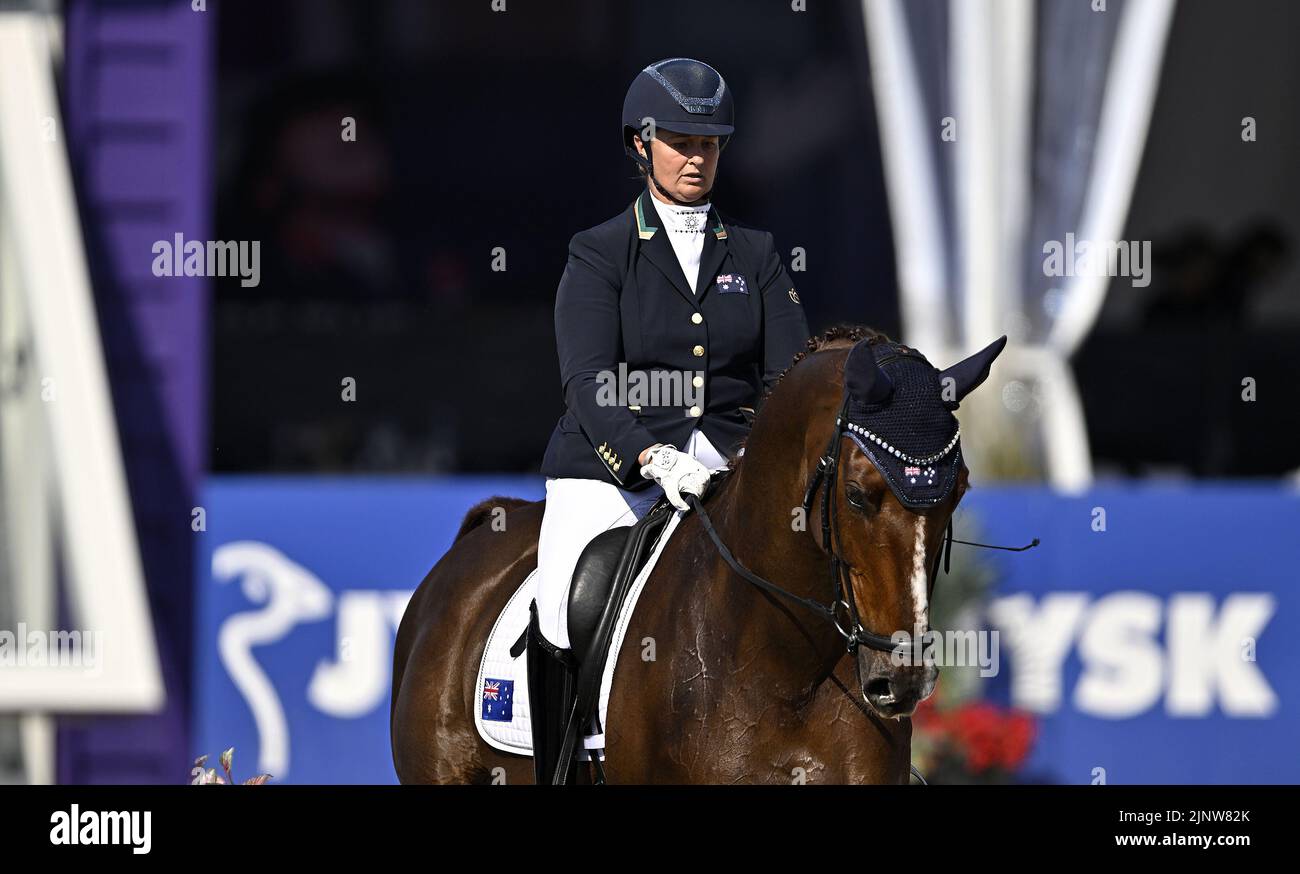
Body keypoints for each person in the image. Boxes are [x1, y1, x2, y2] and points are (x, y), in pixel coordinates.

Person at [526, 57, 809, 783]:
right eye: (681, 141)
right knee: (562, 604)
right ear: (641, 145)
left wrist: (750, 462)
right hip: (613, 472)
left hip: (727, 469)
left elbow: (789, 380)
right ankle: (562, 772)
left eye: (709, 143)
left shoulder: (757, 254)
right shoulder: (599, 253)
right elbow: (587, 383)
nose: (696, 157)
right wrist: (652, 458)